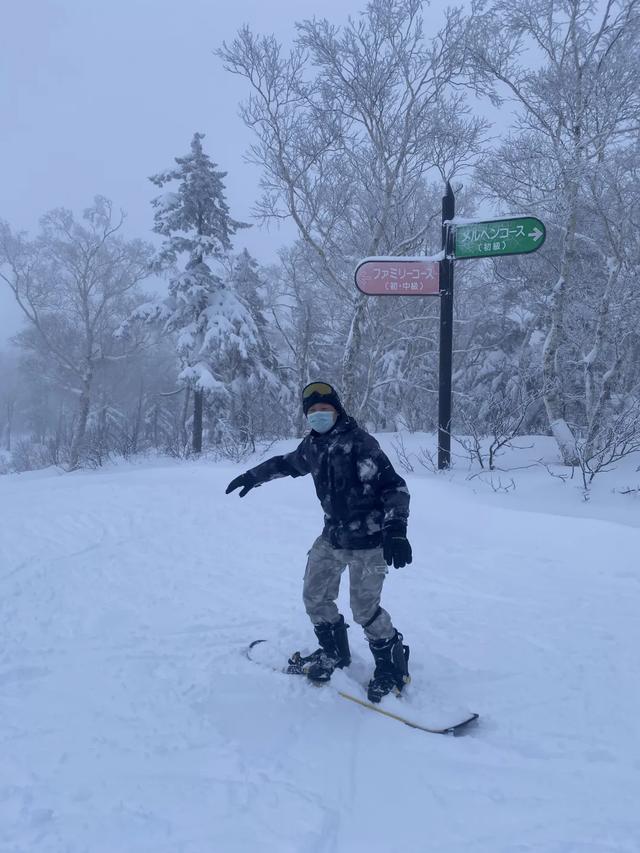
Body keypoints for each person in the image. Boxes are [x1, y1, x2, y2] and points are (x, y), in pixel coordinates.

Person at [226, 381, 413, 702]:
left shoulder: (360, 444)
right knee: (314, 596)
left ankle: (392, 665)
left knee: (364, 609)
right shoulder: (313, 446)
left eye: (324, 410)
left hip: (369, 540)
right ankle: (334, 653)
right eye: (312, 412)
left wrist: (395, 529)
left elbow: (394, 487)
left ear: (337, 410)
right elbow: (287, 463)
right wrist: (253, 476)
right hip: (332, 537)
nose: (318, 416)